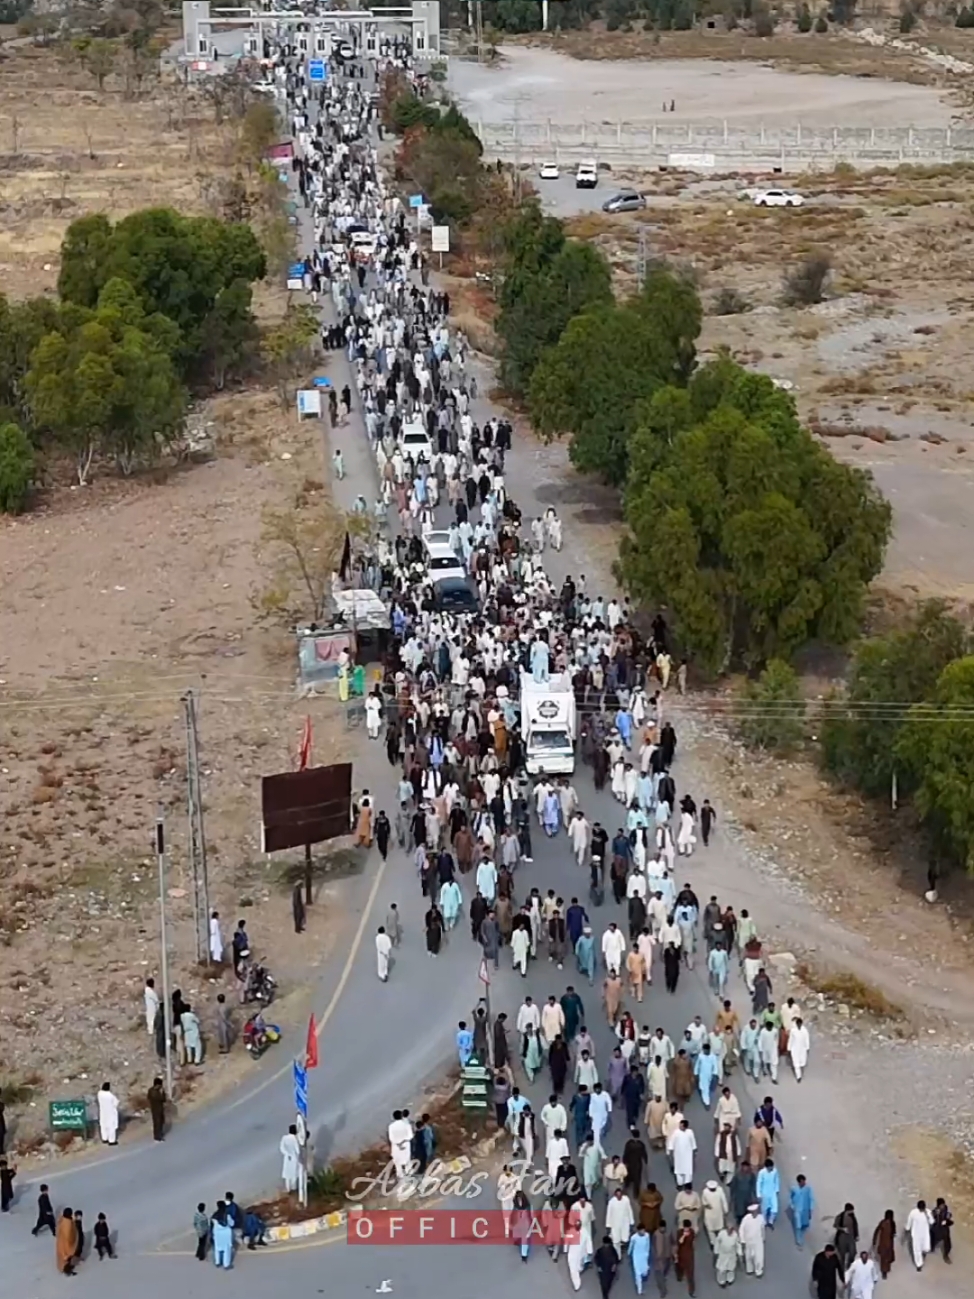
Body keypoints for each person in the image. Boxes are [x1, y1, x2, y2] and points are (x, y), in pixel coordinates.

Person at [667, 1120, 697, 1189]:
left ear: (685, 1126)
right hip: (678, 1154)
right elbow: (672, 1141)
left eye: (681, 1125)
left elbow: (693, 1141)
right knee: (678, 1169)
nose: (680, 1126)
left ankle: (687, 1183)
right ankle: (679, 1184)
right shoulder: (676, 1132)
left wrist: (694, 1149)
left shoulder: (690, 1132)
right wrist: (670, 1149)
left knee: (688, 1169)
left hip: (688, 1154)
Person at [738, 1203, 765, 1277]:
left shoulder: (761, 1218)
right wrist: (742, 1240)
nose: (755, 1213)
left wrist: (763, 1237)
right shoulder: (746, 1219)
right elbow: (741, 1230)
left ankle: (758, 1271)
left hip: (758, 1240)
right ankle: (749, 1269)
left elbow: (762, 1229)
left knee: (759, 1256)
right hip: (748, 1240)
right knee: (749, 1256)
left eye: (756, 1211)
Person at [904, 1199, 931, 1270]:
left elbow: (932, 1222)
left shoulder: (928, 1212)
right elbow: (909, 1222)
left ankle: (922, 1257)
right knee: (917, 1250)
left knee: (926, 1248)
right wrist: (907, 1229)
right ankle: (919, 1265)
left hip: (925, 1234)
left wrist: (927, 1215)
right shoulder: (913, 1213)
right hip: (916, 1235)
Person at [607, 1186, 635, 1254]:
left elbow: (629, 1210)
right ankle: (617, 1252)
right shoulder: (611, 1202)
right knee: (616, 1237)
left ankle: (622, 1244)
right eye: (618, 1195)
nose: (619, 1197)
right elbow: (609, 1213)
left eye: (620, 1195)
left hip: (624, 1221)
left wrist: (631, 1221)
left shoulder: (626, 1200)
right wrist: (608, 1224)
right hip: (615, 1222)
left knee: (625, 1235)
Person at [789, 1173, 814, 1248]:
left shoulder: (808, 1189)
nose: (804, 1183)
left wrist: (810, 1209)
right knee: (798, 1225)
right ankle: (798, 1240)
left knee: (804, 1225)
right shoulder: (794, 1189)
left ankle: (801, 1236)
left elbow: (811, 1199)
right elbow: (790, 1198)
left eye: (804, 1181)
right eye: (802, 1182)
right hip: (797, 1210)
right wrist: (792, 1206)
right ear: (799, 1182)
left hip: (805, 1210)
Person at [672, 1219, 696, 1296]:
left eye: (688, 1228)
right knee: (680, 1267)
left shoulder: (692, 1232)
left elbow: (693, 1241)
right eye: (685, 1227)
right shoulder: (679, 1232)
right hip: (681, 1253)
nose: (686, 1229)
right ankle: (679, 1276)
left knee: (690, 1273)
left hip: (689, 1254)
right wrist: (684, 1235)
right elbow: (679, 1242)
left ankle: (691, 1291)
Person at [714, 1222, 741, 1288]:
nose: (730, 1231)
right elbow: (717, 1242)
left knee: (731, 1269)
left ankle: (730, 1280)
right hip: (723, 1254)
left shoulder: (735, 1235)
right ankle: (721, 1281)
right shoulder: (721, 1234)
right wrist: (716, 1251)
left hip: (731, 1255)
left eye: (731, 1229)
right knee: (721, 1269)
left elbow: (738, 1245)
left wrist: (740, 1253)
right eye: (729, 1229)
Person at [871, 1209, 896, 1278]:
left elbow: (876, 1231)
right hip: (888, 1244)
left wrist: (874, 1241)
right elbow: (893, 1233)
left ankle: (884, 1271)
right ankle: (885, 1271)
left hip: (884, 1243)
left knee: (884, 1258)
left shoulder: (883, 1222)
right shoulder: (891, 1223)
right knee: (886, 1258)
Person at [756, 1157, 779, 1228]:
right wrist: (759, 1195)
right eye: (770, 1167)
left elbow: (777, 1180)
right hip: (764, 1193)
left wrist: (777, 1190)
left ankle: (770, 1221)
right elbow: (758, 1183)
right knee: (764, 1209)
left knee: (775, 1209)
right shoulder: (761, 1173)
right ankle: (765, 1222)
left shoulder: (775, 1171)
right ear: (766, 1167)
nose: (771, 1168)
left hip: (772, 1193)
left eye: (772, 1167)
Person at [595, 1233, 620, 1299]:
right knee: (603, 1284)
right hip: (603, 1269)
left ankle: (606, 1292)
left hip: (610, 1270)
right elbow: (596, 1259)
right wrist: (599, 1266)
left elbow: (616, 1258)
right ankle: (605, 1295)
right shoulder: (600, 1251)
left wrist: (614, 1265)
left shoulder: (612, 1250)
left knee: (609, 1282)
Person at [629, 1224, 652, 1295]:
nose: (643, 1232)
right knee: (637, 1272)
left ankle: (639, 1279)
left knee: (645, 1272)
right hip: (636, 1256)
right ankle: (639, 1290)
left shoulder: (647, 1236)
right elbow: (631, 1246)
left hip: (644, 1256)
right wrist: (629, 1253)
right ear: (638, 1231)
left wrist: (647, 1254)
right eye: (642, 1230)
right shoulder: (634, 1237)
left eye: (644, 1230)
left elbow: (648, 1245)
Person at [280, 1124, 302, 1192]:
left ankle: (288, 1189)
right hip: (294, 1158)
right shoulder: (295, 1139)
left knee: (287, 1174)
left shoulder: (284, 1138)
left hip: (287, 1158)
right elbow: (297, 1150)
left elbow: (282, 1148)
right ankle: (293, 1188)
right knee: (294, 1174)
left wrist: (287, 1153)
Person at [57, 1207, 78, 1275]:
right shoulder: (67, 1223)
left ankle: (65, 1267)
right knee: (67, 1257)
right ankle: (67, 1270)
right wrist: (73, 1241)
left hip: (61, 1242)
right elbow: (69, 1235)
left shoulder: (62, 1220)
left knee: (63, 1256)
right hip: (67, 1244)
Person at [931, 1197, 952, 1263]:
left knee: (948, 1244)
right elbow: (932, 1219)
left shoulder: (946, 1210)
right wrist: (936, 1215)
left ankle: (946, 1255)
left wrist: (948, 1218)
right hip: (937, 1230)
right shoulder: (934, 1211)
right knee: (934, 1240)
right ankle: (931, 1248)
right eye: (941, 1205)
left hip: (945, 1230)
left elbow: (948, 1216)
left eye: (943, 1205)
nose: (942, 1206)